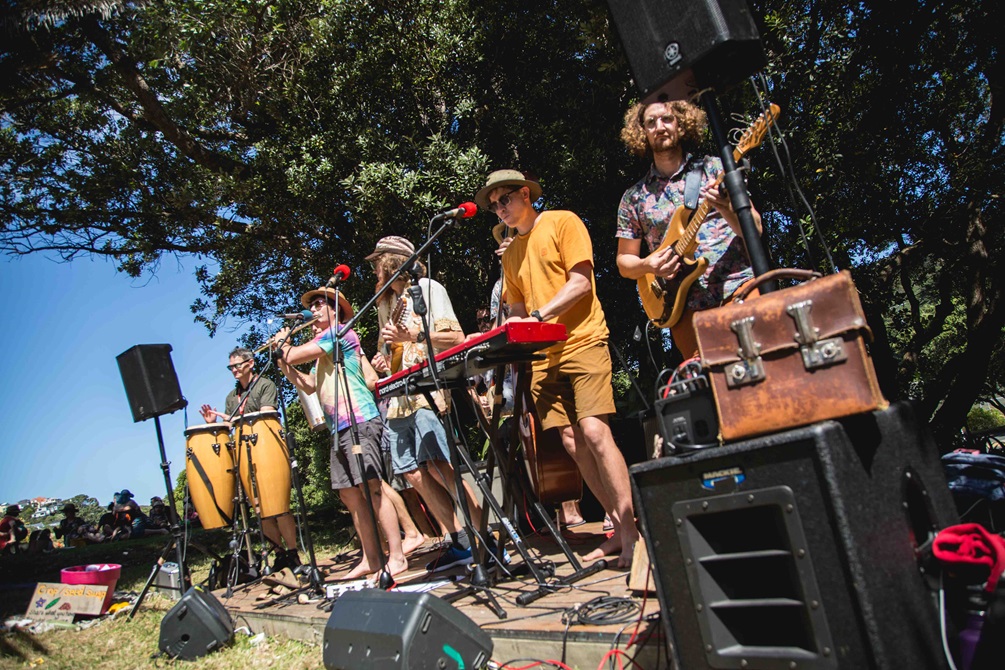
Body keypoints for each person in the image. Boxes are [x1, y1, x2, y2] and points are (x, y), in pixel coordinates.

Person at [475, 169, 638, 567]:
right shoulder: (511, 253)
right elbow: (514, 311)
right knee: (569, 442)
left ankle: (634, 534)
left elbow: (580, 283)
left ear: (526, 193)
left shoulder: (563, 221)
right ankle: (617, 526)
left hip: (582, 340)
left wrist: (536, 316)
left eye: (505, 199)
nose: (500, 209)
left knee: (595, 432)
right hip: (543, 357)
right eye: (494, 205)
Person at [367, 236, 487, 572]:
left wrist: (413, 337)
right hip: (397, 398)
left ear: (394, 261)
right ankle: (457, 540)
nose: (375, 269)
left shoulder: (429, 288)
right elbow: (390, 353)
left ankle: (484, 534)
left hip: (427, 391)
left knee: (439, 465)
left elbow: (456, 338)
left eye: (379, 261)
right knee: (411, 472)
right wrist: (383, 362)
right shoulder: (385, 304)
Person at [275, 285, 408, 579]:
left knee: (372, 488)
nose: (315, 309)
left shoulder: (338, 333)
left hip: (359, 419)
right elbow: (308, 384)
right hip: (339, 427)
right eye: (314, 304)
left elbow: (296, 354)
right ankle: (372, 558)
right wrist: (283, 363)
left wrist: (284, 345)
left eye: (321, 304)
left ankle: (397, 556)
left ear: (335, 310)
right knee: (349, 494)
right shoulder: (324, 350)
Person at [615, 99, 763, 358]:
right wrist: (649, 265)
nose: (659, 126)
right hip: (684, 307)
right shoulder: (634, 197)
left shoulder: (716, 168)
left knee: (770, 370)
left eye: (667, 119)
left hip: (739, 288)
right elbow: (624, 262)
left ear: (681, 124)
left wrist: (727, 206)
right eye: (651, 122)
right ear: (642, 133)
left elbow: (756, 229)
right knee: (708, 388)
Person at [200, 347, 300, 570]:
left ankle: (293, 553)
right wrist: (213, 423)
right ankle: (279, 553)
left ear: (251, 363)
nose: (234, 370)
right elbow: (229, 426)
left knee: (279, 505)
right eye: (231, 367)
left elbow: (266, 414)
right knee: (259, 508)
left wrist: (234, 417)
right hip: (243, 452)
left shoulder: (265, 385)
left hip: (267, 448)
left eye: (237, 365)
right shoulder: (231, 397)